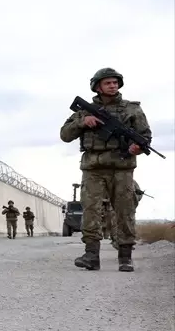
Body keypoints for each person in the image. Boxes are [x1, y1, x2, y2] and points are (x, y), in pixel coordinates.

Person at [59, 67, 153, 272]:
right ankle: (91, 255)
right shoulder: (84, 111)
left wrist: (138, 147)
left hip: (122, 168)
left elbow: (145, 136)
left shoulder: (132, 109)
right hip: (93, 168)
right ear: (98, 87)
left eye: (115, 82)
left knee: (125, 212)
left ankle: (125, 257)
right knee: (91, 211)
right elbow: (65, 135)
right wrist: (83, 122)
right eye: (108, 83)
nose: (113, 85)